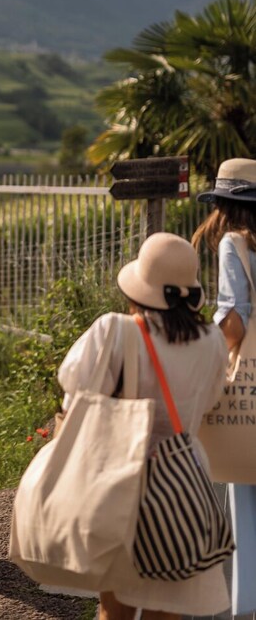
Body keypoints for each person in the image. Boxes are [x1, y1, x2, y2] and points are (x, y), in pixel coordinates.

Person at [58, 232, 229, 620]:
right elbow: (212, 401)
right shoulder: (213, 340)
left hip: (122, 484)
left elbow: (76, 393)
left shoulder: (116, 332)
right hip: (185, 485)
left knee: (114, 610)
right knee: (168, 610)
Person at [194, 157, 256, 617]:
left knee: (244, 494)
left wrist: (207, 343)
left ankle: (247, 603)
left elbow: (233, 318)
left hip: (250, 383)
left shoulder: (234, 243)